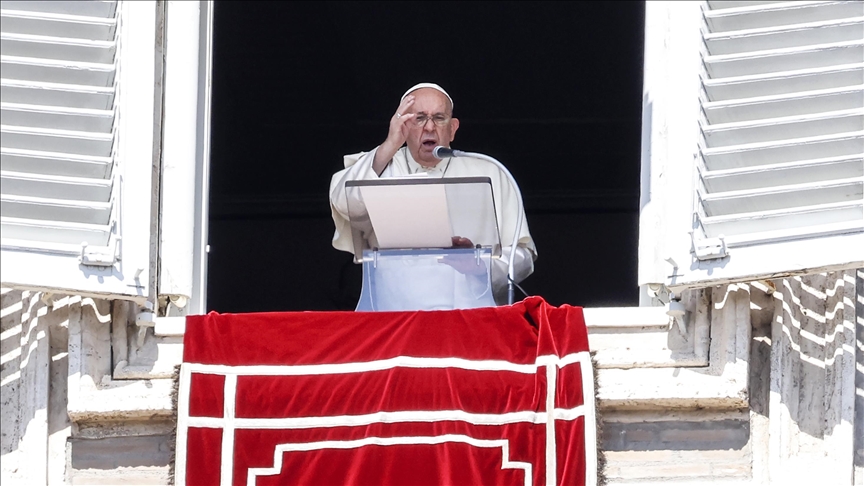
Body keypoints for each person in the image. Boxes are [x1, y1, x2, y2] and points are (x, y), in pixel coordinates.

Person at [329, 83, 536, 305]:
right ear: (403, 126)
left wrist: (481, 265)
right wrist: (390, 144)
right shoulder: (380, 165)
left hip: (468, 315)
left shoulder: (490, 171)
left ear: (453, 128)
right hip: (396, 314)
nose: (429, 127)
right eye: (418, 118)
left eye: (439, 117)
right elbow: (344, 202)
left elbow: (521, 255)